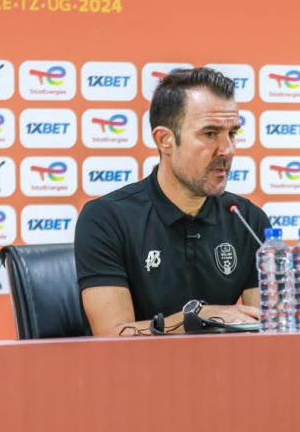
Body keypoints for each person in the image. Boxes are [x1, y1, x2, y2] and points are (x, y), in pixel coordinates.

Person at [75, 67, 270, 336]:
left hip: (223, 363)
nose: (227, 149)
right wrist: (195, 318)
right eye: (210, 133)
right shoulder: (107, 218)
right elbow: (112, 334)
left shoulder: (247, 219)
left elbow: (271, 328)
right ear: (165, 140)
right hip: (139, 365)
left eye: (232, 133)